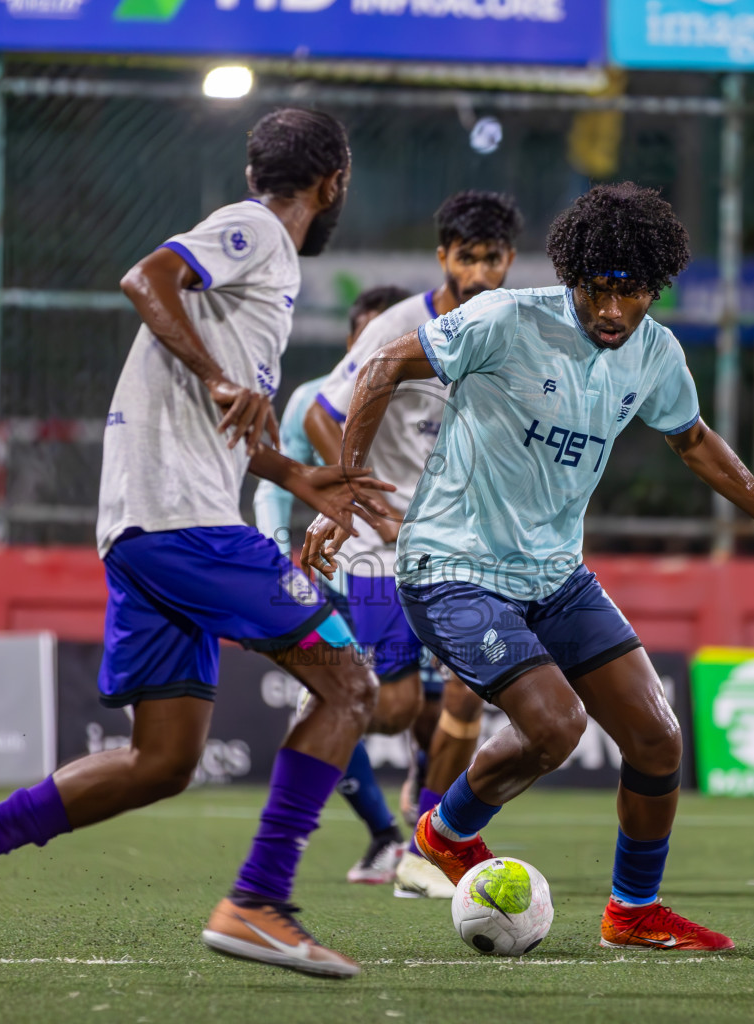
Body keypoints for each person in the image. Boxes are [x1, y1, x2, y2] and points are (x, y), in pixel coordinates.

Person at [0, 108, 398, 980]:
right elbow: (145, 276)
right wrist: (219, 374)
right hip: (182, 525)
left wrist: (290, 474)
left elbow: (218, 420)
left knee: (163, 760)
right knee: (350, 682)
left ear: (252, 171)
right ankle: (259, 901)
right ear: (333, 182)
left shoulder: (258, 268)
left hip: (150, 526)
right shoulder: (261, 234)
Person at [303, 182, 754, 950]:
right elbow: (380, 370)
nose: (612, 312)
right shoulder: (505, 318)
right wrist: (343, 484)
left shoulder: (656, 351)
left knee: (659, 738)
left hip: (554, 575)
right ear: (573, 277)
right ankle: (444, 830)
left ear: (653, 291)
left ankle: (631, 911)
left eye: (631, 295)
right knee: (556, 725)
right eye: (598, 290)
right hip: (449, 564)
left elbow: (692, 439)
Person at [303, 190, 522, 899]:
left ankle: (425, 847)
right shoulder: (400, 326)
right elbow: (318, 415)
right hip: (383, 549)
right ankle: (325, 711)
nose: (483, 272)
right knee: (397, 710)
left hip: (467, 543)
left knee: (469, 691)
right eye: (469, 258)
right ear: (443, 258)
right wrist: (365, 501)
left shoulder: (517, 329)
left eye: (494, 258)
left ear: (511, 259)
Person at [252, 283, 411, 886]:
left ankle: (431, 825)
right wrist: (274, 552)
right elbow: (272, 480)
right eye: (369, 334)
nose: (379, 346)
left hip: (413, 578)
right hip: (342, 581)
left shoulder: (435, 398)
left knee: (407, 711)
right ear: (352, 342)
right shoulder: (306, 406)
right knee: (324, 700)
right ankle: (387, 838)